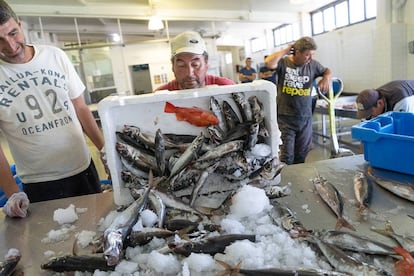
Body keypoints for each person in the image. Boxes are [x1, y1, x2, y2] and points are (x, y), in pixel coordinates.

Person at [0, 0, 106, 218]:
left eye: (12, 33)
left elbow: (81, 108)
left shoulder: (55, 56)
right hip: (39, 183)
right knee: (54, 246)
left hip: (83, 170)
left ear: (20, 25)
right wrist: (13, 193)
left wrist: (104, 148)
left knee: (97, 232)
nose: (11, 46)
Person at [265, 36, 332, 165]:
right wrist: (286, 50)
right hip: (285, 117)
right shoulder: (284, 63)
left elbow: (327, 70)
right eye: (307, 55)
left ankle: (297, 181)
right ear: (297, 52)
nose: (310, 58)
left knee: (301, 155)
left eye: (312, 55)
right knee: (287, 156)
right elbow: (269, 63)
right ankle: (286, 182)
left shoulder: (313, 65)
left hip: (305, 117)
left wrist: (326, 78)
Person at [155, 31, 234, 91]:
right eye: (181, 65)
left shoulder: (225, 88)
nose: (189, 73)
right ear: (173, 66)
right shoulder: (160, 96)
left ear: (206, 63)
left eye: (195, 64)